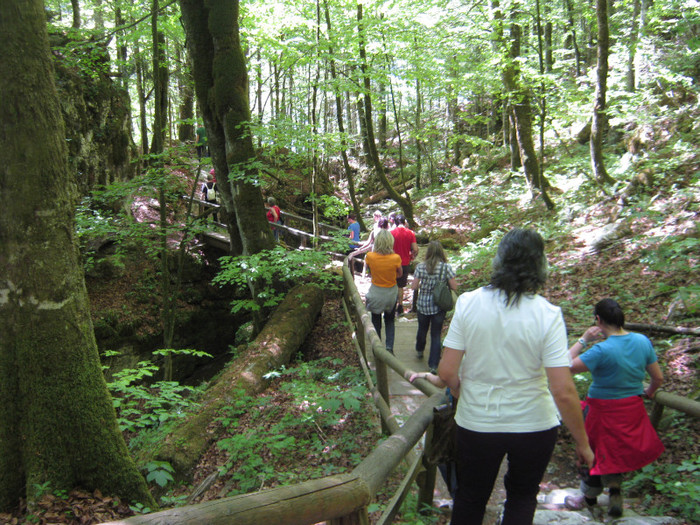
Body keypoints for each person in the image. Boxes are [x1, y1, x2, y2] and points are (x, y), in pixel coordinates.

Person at [437, 228, 594, 525]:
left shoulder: (469, 302)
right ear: (540, 265)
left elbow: (446, 371)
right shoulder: (548, 314)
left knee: (470, 496)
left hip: (478, 421)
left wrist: (461, 392)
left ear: (499, 260)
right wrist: (583, 443)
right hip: (534, 424)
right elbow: (562, 390)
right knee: (522, 497)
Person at [565, 298, 664, 518]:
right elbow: (657, 377)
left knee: (590, 450)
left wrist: (584, 339)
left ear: (598, 320)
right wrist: (648, 392)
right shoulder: (642, 341)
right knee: (617, 451)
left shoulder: (601, 350)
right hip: (632, 409)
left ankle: (588, 497)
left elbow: (565, 365)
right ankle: (616, 492)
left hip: (601, 411)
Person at [412, 241, 458, 373]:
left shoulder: (421, 267)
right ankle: (433, 364)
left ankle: (420, 349)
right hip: (439, 305)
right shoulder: (446, 268)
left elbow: (414, 286)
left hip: (423, 305)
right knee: (436, 334)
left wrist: (423, 285)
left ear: (428, 252)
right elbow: (454, 286)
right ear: (441, 252)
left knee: (422, 328)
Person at [364, 230, 402, 354]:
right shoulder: (396, 258)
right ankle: (389, 348)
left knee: (376, 320)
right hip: (391, 292)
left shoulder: (370, 256)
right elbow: (400, 273)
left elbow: (369, 271)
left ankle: (377, 347)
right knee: (390, 320)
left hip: (376, 291)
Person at [390, 214, 419, 316]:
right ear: (404, 222)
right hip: (405, 263)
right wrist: (412, 257)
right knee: (401, 286)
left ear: (395, 222)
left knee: (393, 284)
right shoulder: (410, 233)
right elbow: (415, 249)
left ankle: (392, 305)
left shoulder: (391, 233)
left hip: (393, 262)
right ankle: (400, 306)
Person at [349, 210, 384, 276]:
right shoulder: (386, 227)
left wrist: (361, 249)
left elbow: (370, 241)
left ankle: (364, 275)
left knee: (367, 258)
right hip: (382, 249)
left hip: (375, 248)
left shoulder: (376, 226)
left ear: (376, 217)